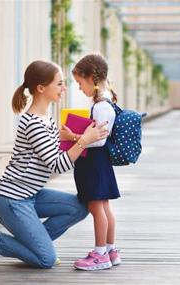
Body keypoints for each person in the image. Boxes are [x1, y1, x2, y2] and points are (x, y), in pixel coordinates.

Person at [0, 60, 109, 269]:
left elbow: (53, 145)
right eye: (59, 84)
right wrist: (84, 140)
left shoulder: (46, 118)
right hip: (11, 200)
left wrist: (74, 136)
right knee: (45, 260)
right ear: (41, 88)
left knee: (80, 207)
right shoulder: (32, 123)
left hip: (31, 194)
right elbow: (57, 165)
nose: (64, 88)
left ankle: (36, 246)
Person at [60, 54, 121, 271]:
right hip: (100, 163)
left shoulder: (100, 105)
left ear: (90, 78)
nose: (79, 88)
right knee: (104, 207)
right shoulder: (106, 100)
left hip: (94, 164)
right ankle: (110, 250)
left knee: (97, 208)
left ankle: (100, 253)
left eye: (79, 82)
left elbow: (98, 139)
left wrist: (73, 137)